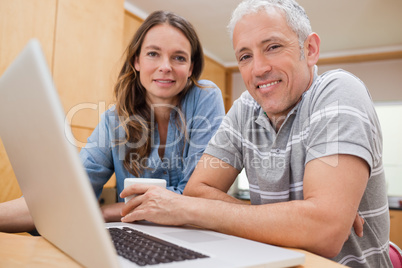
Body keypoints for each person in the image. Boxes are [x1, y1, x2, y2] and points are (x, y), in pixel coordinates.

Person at [118, 1, 392, 267]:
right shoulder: (245, 109)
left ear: (309, 49)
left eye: (272, 47)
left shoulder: (338, 92)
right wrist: (300, 218)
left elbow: (324, 233)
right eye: (245, 56)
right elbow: (198, 192)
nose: (258, 69)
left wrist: (185, 209)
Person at [0, 10, 225, 232]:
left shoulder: (205, 97)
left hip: (194, 236)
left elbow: (196, 197)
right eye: (153, 54)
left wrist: (107, 212)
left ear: (190, 68)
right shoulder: (114, 120)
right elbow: (64, 198)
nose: (165, 66)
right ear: (136, 61)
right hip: (137, 239)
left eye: (179, 57)